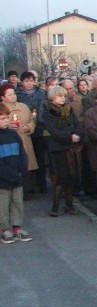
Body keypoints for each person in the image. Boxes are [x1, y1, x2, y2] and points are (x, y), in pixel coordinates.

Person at [42, 85, 84, 217]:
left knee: (72, 177)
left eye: (64, 96)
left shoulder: (69, 109)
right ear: (52, 97)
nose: (62, 99)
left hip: (72, 147)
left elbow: (77, 124)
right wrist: (69, 137)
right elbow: (54, 131)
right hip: (59, 148)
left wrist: (77, 134)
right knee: (62, 177)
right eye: (60, 96)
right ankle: (55, 206)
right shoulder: (49, 112)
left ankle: (69, 204)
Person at [0, 102, 32, 243]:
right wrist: (8, 174)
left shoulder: (13, 134)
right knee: (3, 205)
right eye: (1, 118)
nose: (5, 121)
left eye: (7, 117)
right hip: (3, 179)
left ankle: (17, 227)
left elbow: (22, 154)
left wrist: (22, 170)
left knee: (17, 202)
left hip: (17, 176)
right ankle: (5, 229)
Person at [1, 83, 38, 196]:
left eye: (14, 93)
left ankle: (29, 188)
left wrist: (29, 127)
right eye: (9, 94)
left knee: (27, 162)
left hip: (25, 137)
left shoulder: (23, 106)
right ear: (3, 97)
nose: (13, 96)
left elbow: (32, 120)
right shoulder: (2, 108)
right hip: (10, 139)